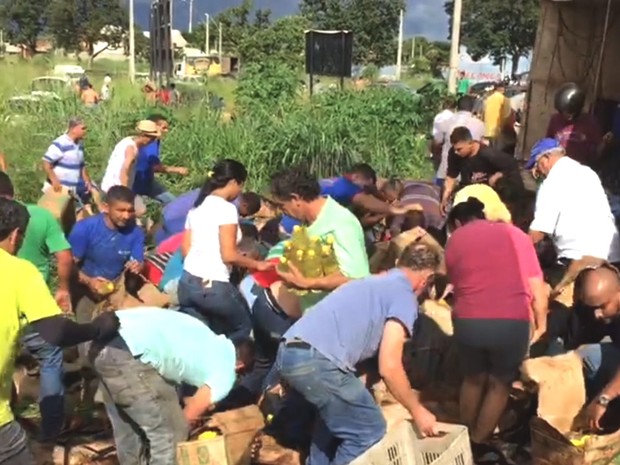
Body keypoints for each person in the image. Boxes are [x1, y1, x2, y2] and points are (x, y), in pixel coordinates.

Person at [276, 243, 441, 464]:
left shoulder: (370, 281)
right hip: (317, 361)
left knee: (336, 423)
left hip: (291, 349)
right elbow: (389, 366)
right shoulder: (404, 297)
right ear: (426, 278)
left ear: (398, 263)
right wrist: (417, 410)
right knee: (368, 430)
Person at [0, 197, 120, 465]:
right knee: (51, 356)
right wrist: (97, 327)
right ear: (17, 234)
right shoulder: (19, 270)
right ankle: (51, 432)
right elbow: (55, 333)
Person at [445, 198, 548, 463]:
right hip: (510, 320)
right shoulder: (514, 234)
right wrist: (541, 322)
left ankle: (461, 436)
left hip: (469, 321)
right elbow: (536, 284)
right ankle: (478, 442)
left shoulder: (454, 240)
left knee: (473, 379)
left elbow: (457, 284)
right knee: (500, 384)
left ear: (457, 223)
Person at [90, 307, 253, 465]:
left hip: (100, 337)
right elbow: (191, 412)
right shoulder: (227, 372)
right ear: (240, 365)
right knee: (171, 433)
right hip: (131, 353)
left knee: (128, 427)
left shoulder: (205, 333)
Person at [0, 173, 72, 440]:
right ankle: (50, 432)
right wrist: (63, 288)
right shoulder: (39, 217)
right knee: (51, 356)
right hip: (33, 309)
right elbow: (64, 256)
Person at [178, 160, 272, 342]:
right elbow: (228, 254)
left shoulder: (196, 209)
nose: (239, 192)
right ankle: (237, 366)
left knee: (199, 337)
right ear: (233, 182)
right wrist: (258, 265)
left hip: (187, 283)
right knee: (244, 330)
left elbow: (186, 250)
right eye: (241, 185)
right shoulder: (226, 209)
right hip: (213, 285)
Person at [270, 167, 370, 313]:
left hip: (340, 320)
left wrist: (308, 283)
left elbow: (355, 277)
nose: (281, 211)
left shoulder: (340, 223)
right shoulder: (308, 222)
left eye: (281, 206)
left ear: (295, 199)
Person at [526, 138, 620, 285]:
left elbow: (538, 232)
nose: (537, 172)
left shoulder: (551, 182)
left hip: (578, 259)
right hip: (611, 255)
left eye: (537, 166)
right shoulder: (588, 172)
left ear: (546, 158)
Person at [69, 186, 145, 326]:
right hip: (85, 290)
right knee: (86, 332)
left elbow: (138, 261)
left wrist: (137, 266)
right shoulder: (84, 229)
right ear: (105, 207)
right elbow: (68, 265)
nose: (126, 216)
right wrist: (89, 281)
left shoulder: (136, 233)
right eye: (120, 210)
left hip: (115, 291)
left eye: (130, 211)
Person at [280, 164, 419, 235]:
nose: (364, 191)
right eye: (365, 187)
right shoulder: (347, 187)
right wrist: (398, 210)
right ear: (356, 177)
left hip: (290, 225)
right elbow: (366, 201)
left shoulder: (334, 182)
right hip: (296, 228)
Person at [572, 265, 620, 431]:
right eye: (593, 308)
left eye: (602, 306)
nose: (597, 314)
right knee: (582, 355)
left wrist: (604, 399)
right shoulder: (608, 312)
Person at [440, 126, 523, 215]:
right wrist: (445, 198)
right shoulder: (454, 154)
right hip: (469, 193)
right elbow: (451, 177)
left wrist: (499, 175)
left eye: (459, 149)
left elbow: (512, 165)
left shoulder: (489, 154)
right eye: (454, 149)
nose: (456, 152)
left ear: (470, 143)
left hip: (491, 196)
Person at [154, 189, 262, 245]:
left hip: (170, 210)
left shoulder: (224, 192)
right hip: (177, 224)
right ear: (245, 205)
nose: (243, 216)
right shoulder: (230, 207)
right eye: (246, 213)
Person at [132, 114, 188, 207]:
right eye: (164, 128)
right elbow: (155, 167)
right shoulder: (151, 142)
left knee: (172, 203)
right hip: (137, 184)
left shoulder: (153, 141)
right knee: (173, 204)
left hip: (147, 181)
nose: (166, 131)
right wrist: (178, 170)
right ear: (155, 126)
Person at [546, 82, 605, 167]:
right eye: (562, 111)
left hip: (580, 170)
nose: (564, 115)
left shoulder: (590, 123)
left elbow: (598, 149)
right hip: (558, 168)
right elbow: (547, 144)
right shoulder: (555, 120)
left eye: (568, 112)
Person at [100, 120, 161, 203]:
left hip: (110, 188)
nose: (153, 141)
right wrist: (125, 193)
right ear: (143, 135)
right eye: (152, 138)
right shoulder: (131, 149)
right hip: (116, 192)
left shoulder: (128, 140)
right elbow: (125, 169)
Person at [433, 95, 485, 188]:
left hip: (445, 173)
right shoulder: (479, 124)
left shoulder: (446, 121)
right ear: (472, 108)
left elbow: (437, 142)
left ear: (457, 107)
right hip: (469, 177)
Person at [42, 118, 93, 200]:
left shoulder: (79, 145)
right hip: (58, 189)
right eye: (83, 128)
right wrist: (54, 179)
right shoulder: (61, 143)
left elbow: (81, 165)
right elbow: (46, 162)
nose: (85, 131)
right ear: (73, 129)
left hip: (71, 190)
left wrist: (87, 180)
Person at [430, 97, 456, 173]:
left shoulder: (437, 117)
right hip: (448, 145)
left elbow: (435, 134)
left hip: (437, 145)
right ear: (454, 107)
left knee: (438, 169)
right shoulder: (453, 117)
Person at [483, 82, 512, 147]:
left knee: (489, 148)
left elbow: (483, 113)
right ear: (502, 89)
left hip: (487, 129)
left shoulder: (488, 99)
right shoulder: (505, 99)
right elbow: (507, 115)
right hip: (498, 130)